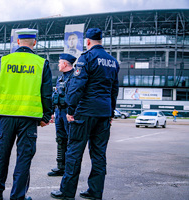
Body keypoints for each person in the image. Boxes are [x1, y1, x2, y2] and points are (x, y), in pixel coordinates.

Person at [51, 28, 120, 200]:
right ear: (101, 41)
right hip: (103, 113)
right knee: (99, 154)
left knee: (74, 151)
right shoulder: (113, 61)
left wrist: (71, 110)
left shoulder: (86, 58)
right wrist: (111, 112)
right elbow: (114, 90)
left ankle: (67, 193)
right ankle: (95, 192)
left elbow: (76, 86)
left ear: (88, 42)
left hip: (84, 112)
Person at [0, 28, 53, 200]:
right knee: (24, 157)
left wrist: (4, 96)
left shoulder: (4, 61)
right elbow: (46, 93)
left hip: (6, 115)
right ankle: (18, 196)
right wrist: (46, 116)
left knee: (2, 153)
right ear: (34, 43)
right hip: (29, 118)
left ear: (18, 42)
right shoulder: (41, 63)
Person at [48, 53, 76, 177]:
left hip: (68, 113)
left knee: (71, 141)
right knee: (60, 140)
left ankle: (70, 169)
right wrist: (53, 112)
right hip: (59, 112)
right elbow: (56, 95)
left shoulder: (75, 77)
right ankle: (61, 166)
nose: (58, 64)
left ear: (65, 64)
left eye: (59, 62)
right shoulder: (61, 78)